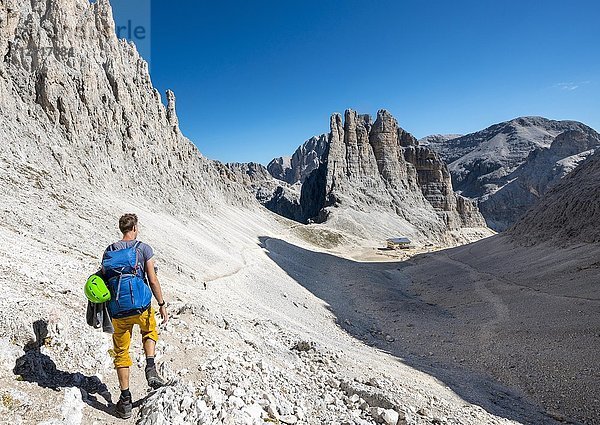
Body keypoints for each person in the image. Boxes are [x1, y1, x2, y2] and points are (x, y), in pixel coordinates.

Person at [101, 213, 169, 419]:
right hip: (141, 306)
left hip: (118, 310)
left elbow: (105, 279)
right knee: (149, 331)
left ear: (122, 229)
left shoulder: (110, 250)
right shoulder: (143, 248)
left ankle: (126, 400)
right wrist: (162, 304)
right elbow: (153, 279)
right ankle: (150, 368)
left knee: (121, 352)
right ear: (135, 228)